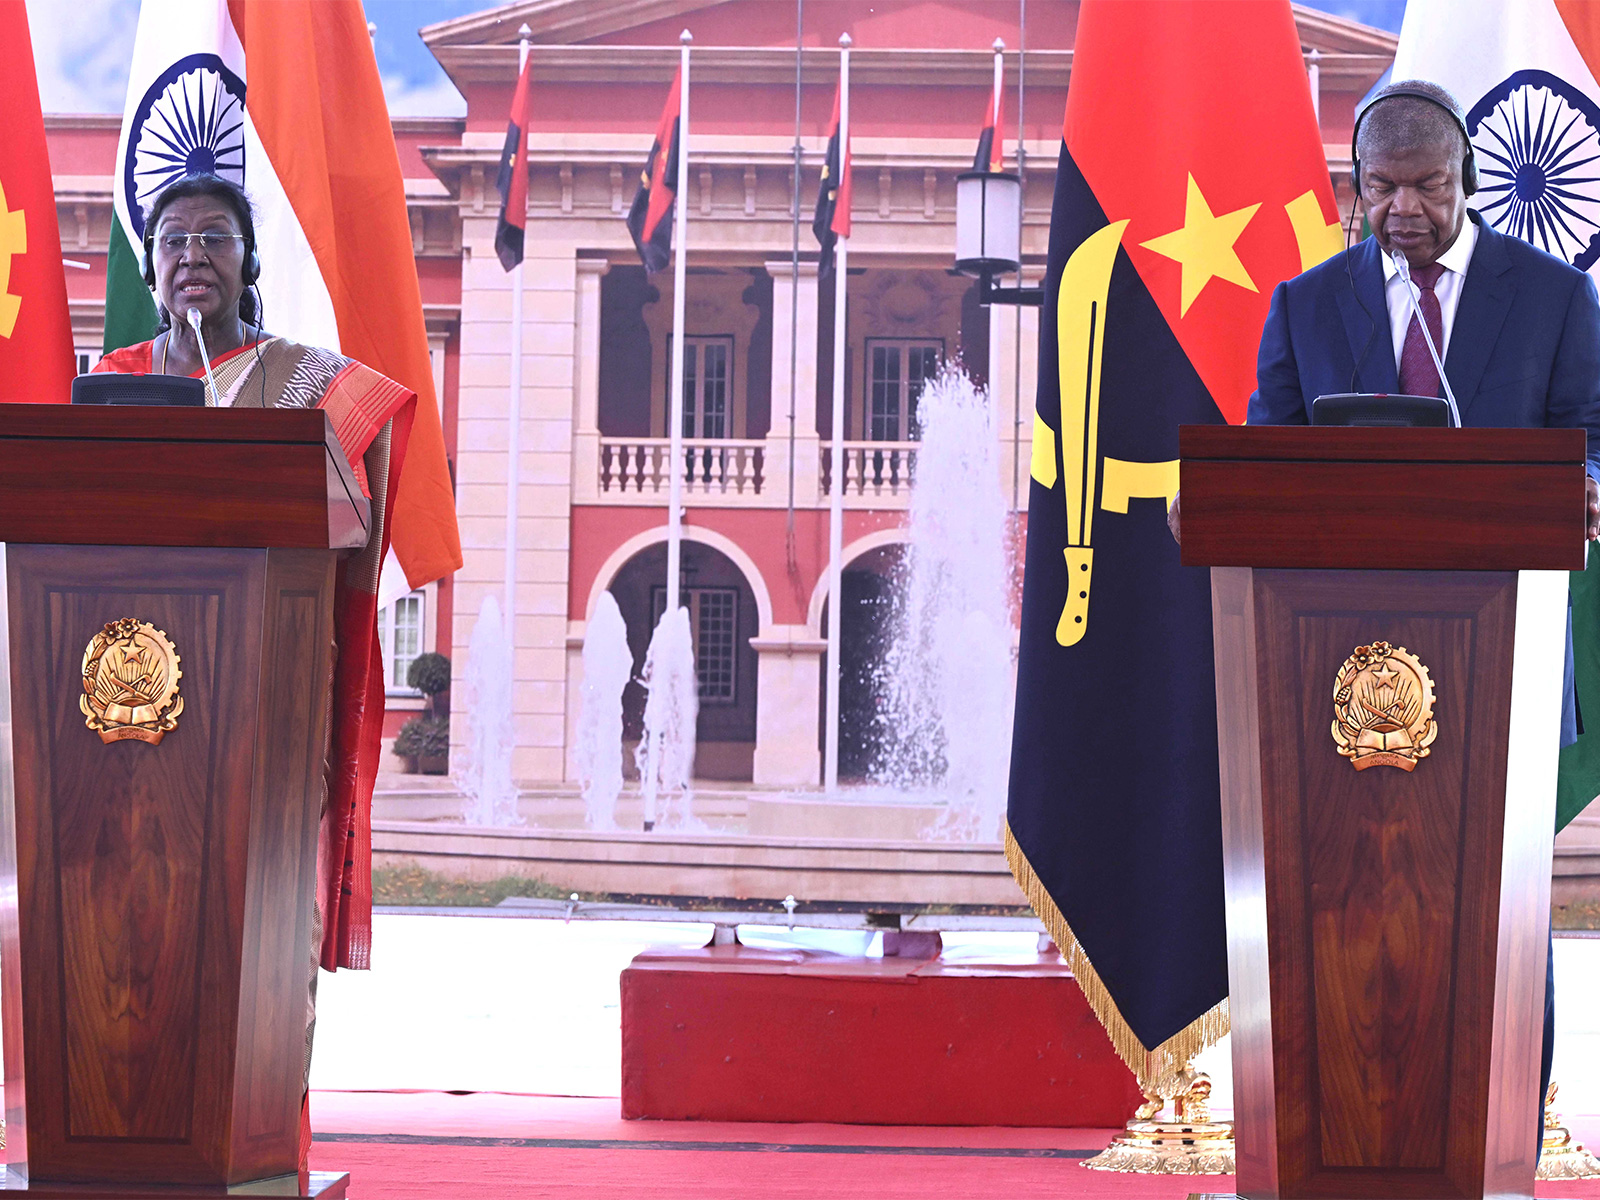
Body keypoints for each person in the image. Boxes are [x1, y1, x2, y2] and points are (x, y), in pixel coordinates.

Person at [1175, 80, 1599, 1162]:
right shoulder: (1306, 306)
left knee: (1500, 910)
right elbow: (1269, 457)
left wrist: (1586, 485)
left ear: (1467, 179)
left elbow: (1589, 439)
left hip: (1502, 653)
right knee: (1338, 901)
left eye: (1426, 185)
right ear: (1354, 185)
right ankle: (1339, 1147)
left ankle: (1500, 1150)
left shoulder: (1552, 298)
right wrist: (1220, 497)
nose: (1403, 208)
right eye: (1380, 187)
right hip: (1329, 670)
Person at [95, 170, 417, 1166]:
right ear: (151, 269)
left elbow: (353, 500)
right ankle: (124, 1133)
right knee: (128, 924)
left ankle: (259, 1143)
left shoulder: (308, 384)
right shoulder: (112, 380)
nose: (193, 256)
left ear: (249, 263)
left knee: (253, 927)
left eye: (215, 239)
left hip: (263, 700)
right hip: (125, 709)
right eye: (175, 241)